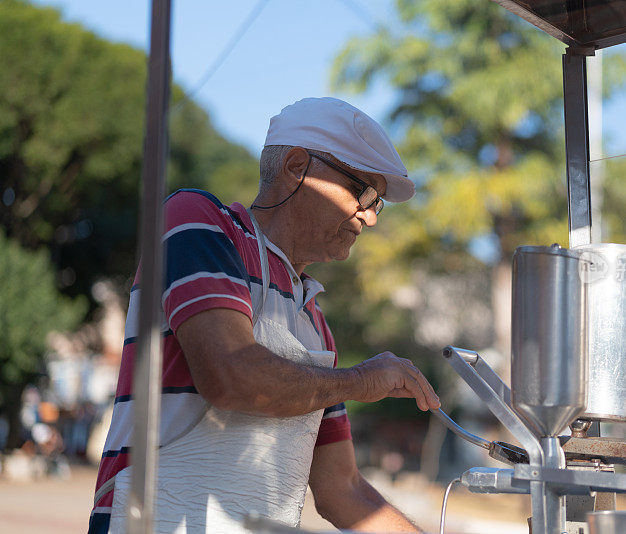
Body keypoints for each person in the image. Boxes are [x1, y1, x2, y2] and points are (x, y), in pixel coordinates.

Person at [88, 97, 440, 533]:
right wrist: (362, 380)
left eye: (377, 204)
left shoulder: (315, 323)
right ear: (296, 166)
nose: (369, 218)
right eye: (363, 192)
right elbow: (230, 376)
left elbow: (340, 488)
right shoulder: (199, 223)